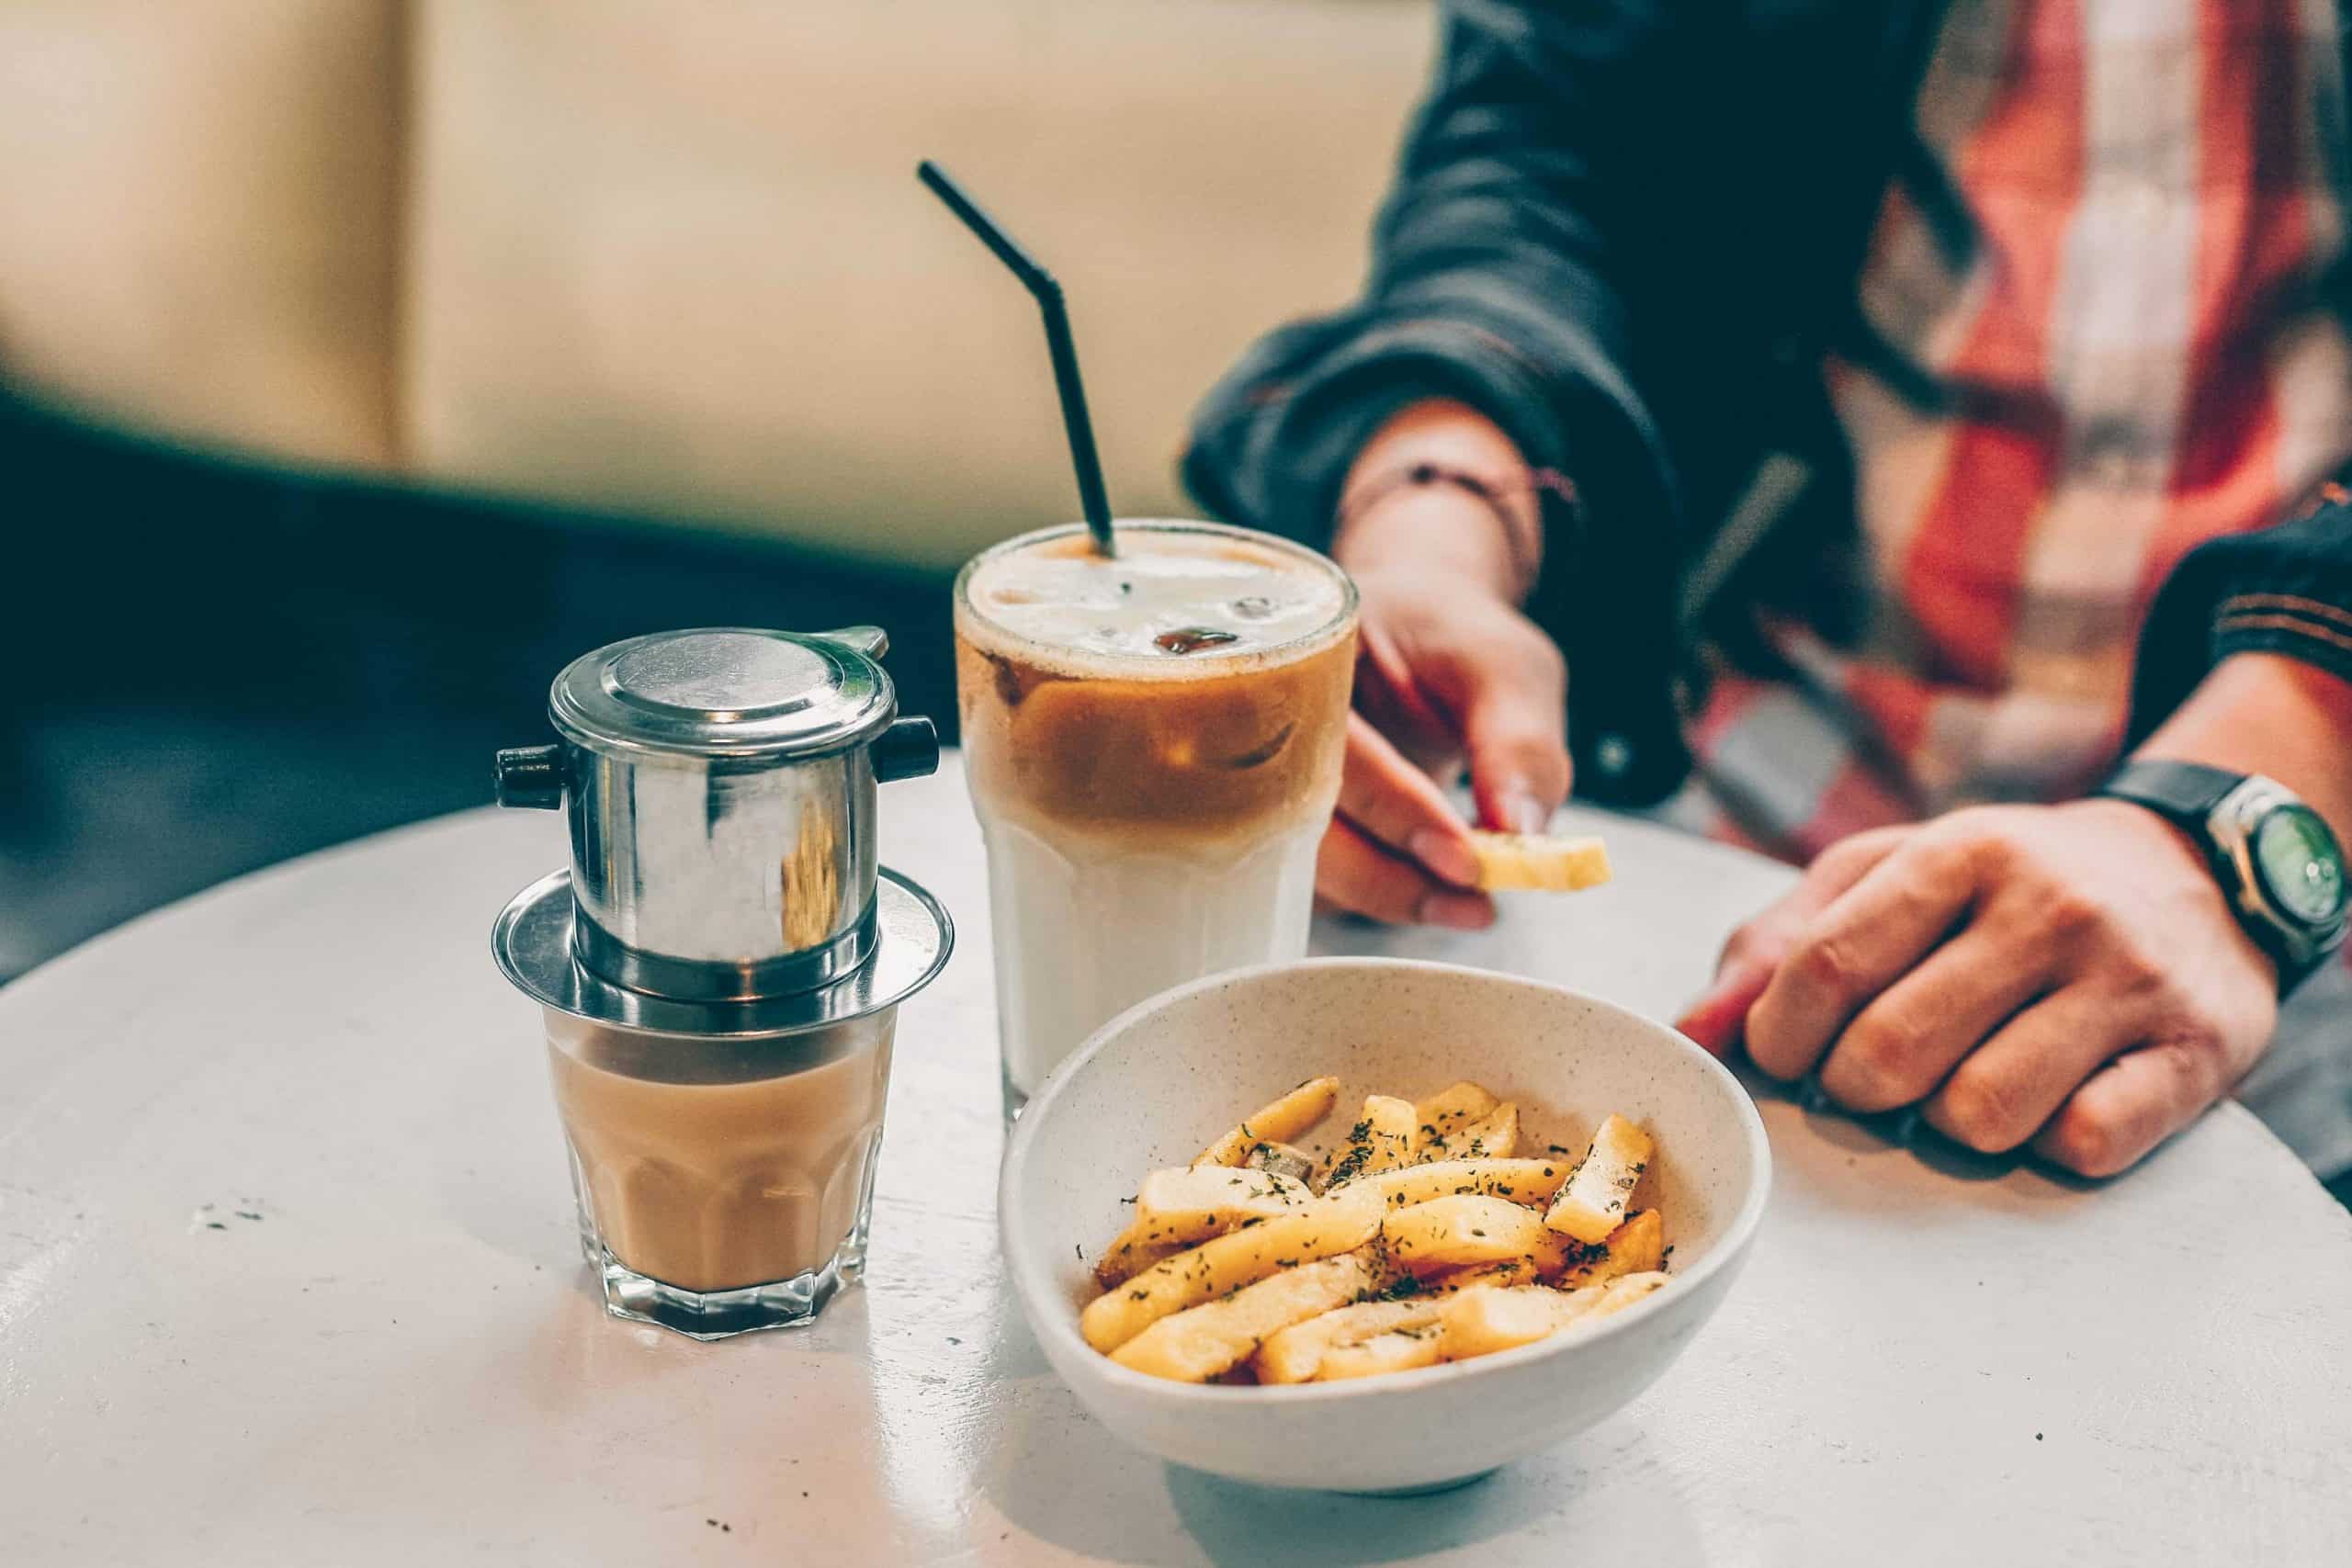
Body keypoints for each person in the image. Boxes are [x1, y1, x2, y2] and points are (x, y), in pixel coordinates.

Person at [1183, 0, 2352, 1190]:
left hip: (2311, 946)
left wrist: (2241, 817)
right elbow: (1555, 150)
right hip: (1741, 828)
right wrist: (1435, 516)